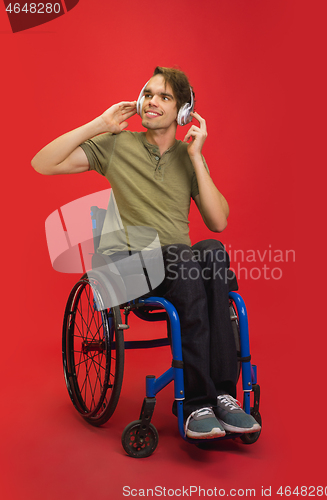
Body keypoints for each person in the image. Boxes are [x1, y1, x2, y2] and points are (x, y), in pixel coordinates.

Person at [32, 66, 260, 439]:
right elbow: (42, 163)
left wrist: (198, 156)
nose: (152, 102)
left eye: (164, 97)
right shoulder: (117, 145)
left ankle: (222, 397)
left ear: (183, 112)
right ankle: (195, 404)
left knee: (213, 251)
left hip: (178, 270)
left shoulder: (188, 158)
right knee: (185, 258)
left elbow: (218, 222)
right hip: (131, 269)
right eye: (149, 94)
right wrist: (99, 125)